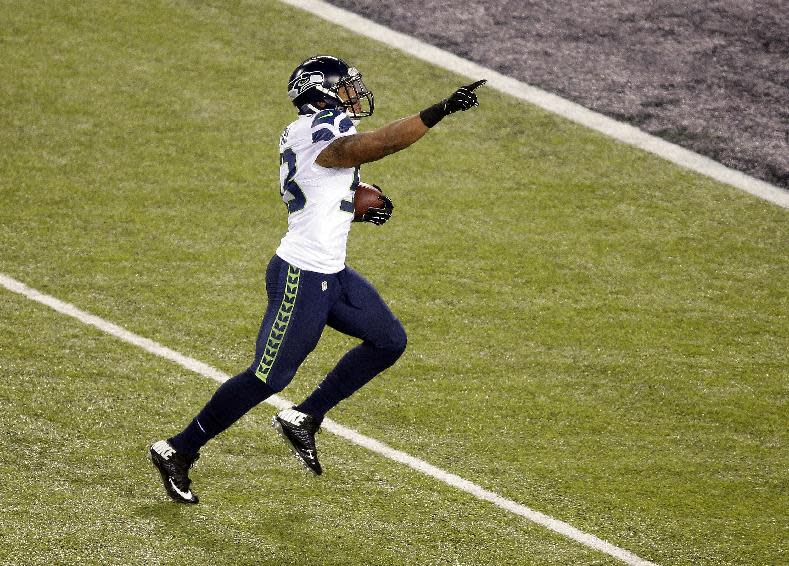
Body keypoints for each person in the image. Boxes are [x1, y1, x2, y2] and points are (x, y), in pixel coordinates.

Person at [149, 55, 485, 504]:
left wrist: (353, 202)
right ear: (320, 90)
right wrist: (438, 110)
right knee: (269, 377)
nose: (353, 93)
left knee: (388, 340)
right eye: (345, 86)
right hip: (301, 274)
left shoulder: (315, 130)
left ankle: (304, 417)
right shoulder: (317, 129)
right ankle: (178, 448)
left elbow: (331, 177)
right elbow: (374, 146)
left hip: (331, 271)